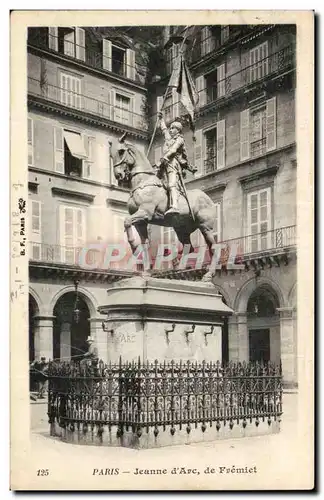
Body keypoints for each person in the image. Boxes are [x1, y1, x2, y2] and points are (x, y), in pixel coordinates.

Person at [156, 112, 197, 216]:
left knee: (171, 184)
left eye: (173, 128)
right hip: (164, 165)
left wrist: (165, 156)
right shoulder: (169, 138)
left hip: (173, 164)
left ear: (178, 130)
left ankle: (174, 206)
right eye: (171, 128)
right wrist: (161, 119)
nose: (170, 130)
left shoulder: (180, 139)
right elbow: (164, 129)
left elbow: (174, 150)